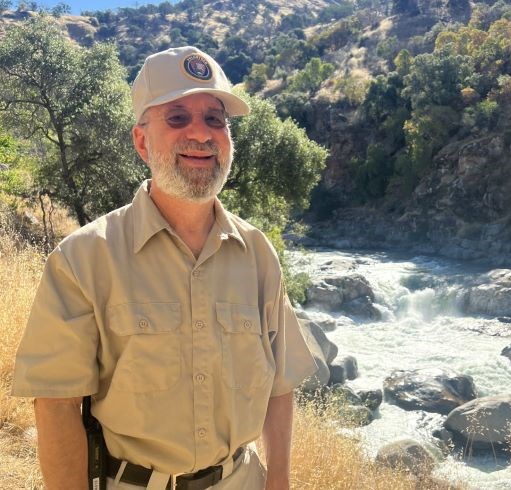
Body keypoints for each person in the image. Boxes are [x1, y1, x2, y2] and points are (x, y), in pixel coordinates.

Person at [12, 46, 317, 490]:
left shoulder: (258, 254)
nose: (201, 134)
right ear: (142, 142)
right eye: (177, 118)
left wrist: (281, 483)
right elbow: (56, 407)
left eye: (215, 119)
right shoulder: (83, 258)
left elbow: (280, 385)